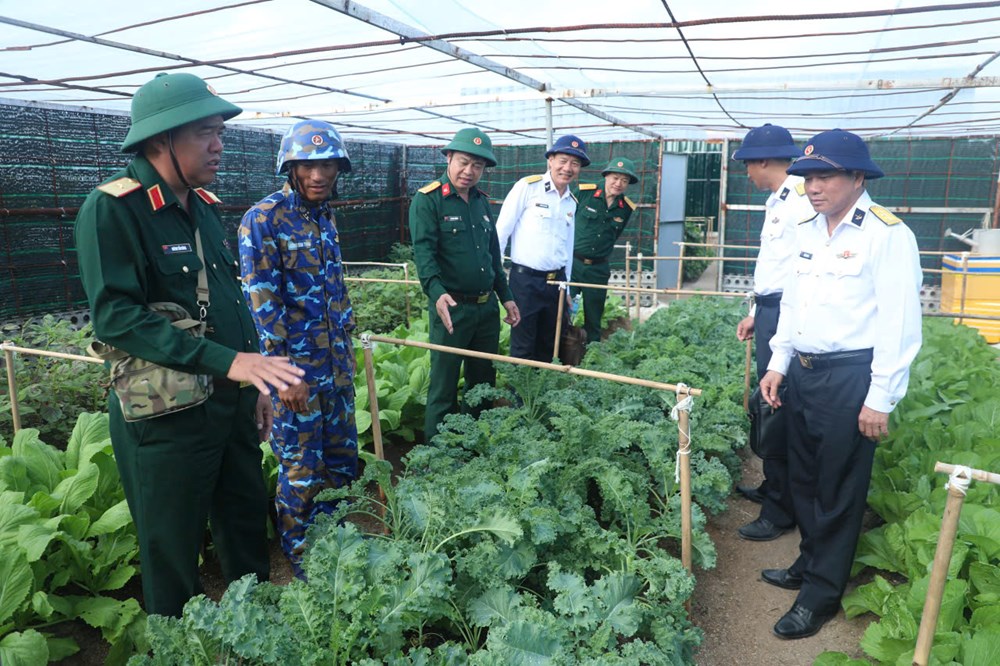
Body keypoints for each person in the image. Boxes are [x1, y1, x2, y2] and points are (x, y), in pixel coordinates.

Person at [74, 72, 305, 617]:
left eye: (220, 131)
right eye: (205, 132)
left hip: (228, 402)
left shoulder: (201, 205)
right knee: (172, 545)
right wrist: (229, 361)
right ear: (161, 139)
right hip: (167, 415)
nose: (219, 144)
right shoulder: (113, 209)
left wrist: (255, 384)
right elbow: (116, 318)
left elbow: (227, 300)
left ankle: (256, 627)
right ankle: (180, 645)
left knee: (244, 520)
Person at [758, 129, 923, 639]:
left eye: (825, 177)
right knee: (805, 479)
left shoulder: (886, 234)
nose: (813, 186)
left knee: (837, 488)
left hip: (851, 376)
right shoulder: (808, 230)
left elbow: (899, 323)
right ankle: (810, 563)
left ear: (857, 178)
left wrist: (880, 398)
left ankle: (821, 595)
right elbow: (793, 303)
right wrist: (778, 361)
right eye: (808, 177)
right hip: (804, 372)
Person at [239, 120, 359, 575]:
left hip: (336, 369)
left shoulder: (326, 216)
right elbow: (262, 304)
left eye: (327, 165)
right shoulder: (263, 219)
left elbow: (335, 289)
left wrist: (348, 342)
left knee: (341, 463)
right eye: (307, 166)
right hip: (297, 376)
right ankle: (303, 557)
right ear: (289, 168)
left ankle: (336, 544)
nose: (318, 175)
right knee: (301, 471)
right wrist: (283, 376)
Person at [409, 128, 520, 438]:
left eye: (477, 165)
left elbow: (492, 255)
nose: (469, 171)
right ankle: (437, 453)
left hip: (486, 310)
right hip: (451, 308)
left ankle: (475, 445)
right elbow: (424, 255)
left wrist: (506, 296)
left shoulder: (481, 202)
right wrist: (436, 293)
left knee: (482, 385)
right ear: (449, 158)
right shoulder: (428, 200)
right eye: (464, 162)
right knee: (443, 386)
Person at [730, 124, 812, 542]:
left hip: (786, 311)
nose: (746, 173)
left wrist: (772, 314)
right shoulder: (778, 199)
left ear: (763, 161)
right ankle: (772, 485)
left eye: (747, 165)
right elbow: (772, 266)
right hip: (770, 309)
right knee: (769, 400)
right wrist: (755, 311)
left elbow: (800, 271)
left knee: (776, 403)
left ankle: (780, 509)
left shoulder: (801, 199)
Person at [497, 135, 590, 361]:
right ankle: (521, 386)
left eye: (575, 164)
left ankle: (541, 384)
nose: (567, 168)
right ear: (550, 160)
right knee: (523, 346)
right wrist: (496, 277)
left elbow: (567, 248)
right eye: (563, 161)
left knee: (549, 345)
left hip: (556, 284)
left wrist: (567, 287)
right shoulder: (528, 187)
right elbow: (501, 232)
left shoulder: (571, 201)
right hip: (525, 282)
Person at [571, 157, 638, 346]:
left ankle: (591, 353)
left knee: (594, 316)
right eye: (615, 178)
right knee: (563, 310)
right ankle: (560, 352)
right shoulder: (584, 193)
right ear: (606, 176)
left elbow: (615, 235)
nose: (618, 184)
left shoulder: (626, 208)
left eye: (624, 180)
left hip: (598, 269)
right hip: (573, 264)